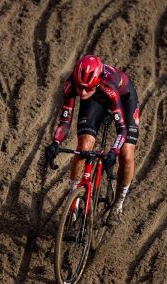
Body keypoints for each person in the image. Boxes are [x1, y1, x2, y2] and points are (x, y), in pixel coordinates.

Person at [44, 54, 141, 225]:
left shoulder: (109, 87)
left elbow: (122, 131)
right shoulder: (72, 84)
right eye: (79, 87)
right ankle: (72, 204)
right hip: (95, 97)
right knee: (84, 145)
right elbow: (65, 122)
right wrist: (56, 142)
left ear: (96, 81)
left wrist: (113, 151)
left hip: (123, 99)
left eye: (85, 88)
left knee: (126, 155)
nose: (81, 93)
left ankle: (118, 205)